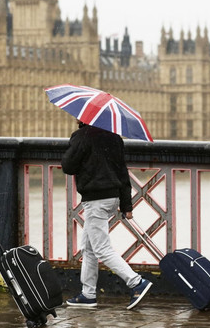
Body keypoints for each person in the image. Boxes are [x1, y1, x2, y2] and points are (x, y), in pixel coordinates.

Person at [61, 120, 153, 310]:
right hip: (112, 198)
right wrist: (127, 205)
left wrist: (76, 143)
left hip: (95, 199)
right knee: (89, 248)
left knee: (102, 249)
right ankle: (88, 294)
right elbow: (122, 172)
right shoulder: (114, 137)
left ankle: (136, 282)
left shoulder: (82, 136)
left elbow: (68, 166)